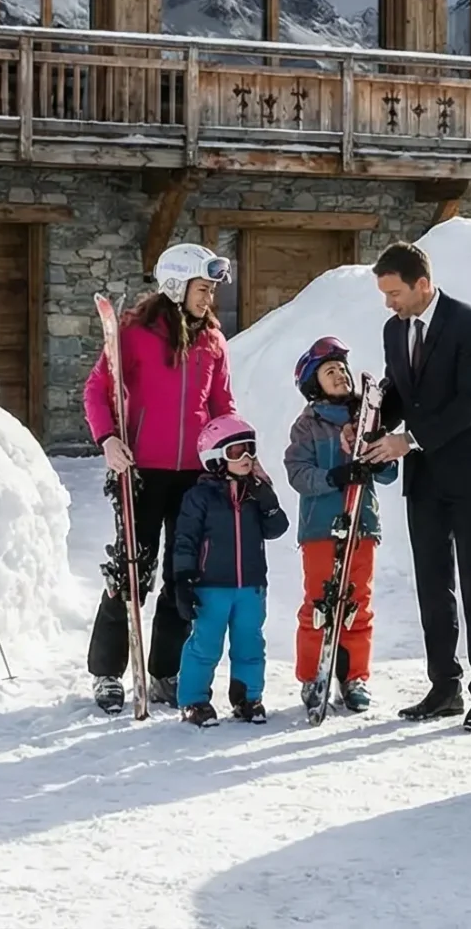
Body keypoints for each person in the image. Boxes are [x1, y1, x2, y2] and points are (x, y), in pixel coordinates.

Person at [361, 241, 471, 731]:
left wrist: (411, 440)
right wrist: (371, 423)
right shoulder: (392, 330)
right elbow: (401, 392)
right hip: (423, 475)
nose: (389, 303)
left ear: (422, 284)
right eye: (385, 294)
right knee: (431, 583)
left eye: (395, 292)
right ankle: (443, 686)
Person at [81, 242, 235, 715]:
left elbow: (221, 407)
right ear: (175, 285)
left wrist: (233, 451)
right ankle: (108, 672)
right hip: (142, 470)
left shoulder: (212, 341)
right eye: (202, 288)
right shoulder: (134, 333)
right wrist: (107, 439)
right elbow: (97, 390)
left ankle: (164, 668)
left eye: (211, 289)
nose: (209, 298)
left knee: (181, 576)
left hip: (194, 476)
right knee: (131, 571)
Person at [282, 337, 398, 716]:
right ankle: (314, 674)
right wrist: (335, 477)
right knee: (319, 601)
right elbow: (298, 473)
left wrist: (377, 460)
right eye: (330, 371)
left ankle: (354, 677)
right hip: (321, 527)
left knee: (356, 603)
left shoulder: (366, 419)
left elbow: (390, 473)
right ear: (314, 383)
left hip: (362, 523)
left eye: (343, 369)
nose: (340, 375)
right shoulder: (307, 425)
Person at [169, 413, 290, 726]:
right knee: (205, 645)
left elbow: (277, 528)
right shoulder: (199, 497)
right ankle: (194, 701)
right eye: (237, 451)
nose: (247, 457)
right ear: (215, 457)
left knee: (250, 643)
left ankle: (247, 698)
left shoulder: (255, 494)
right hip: (211, 586)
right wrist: (182, 580)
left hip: (250, 586)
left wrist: (267, 498)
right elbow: (185, 541)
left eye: (250, 449)